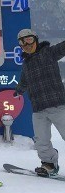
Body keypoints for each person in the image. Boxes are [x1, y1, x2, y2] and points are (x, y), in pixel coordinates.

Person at [14, 28, 65, 177]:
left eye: (29, 39)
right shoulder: (26, 64)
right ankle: (49, 164)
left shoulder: (48, 53)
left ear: (35, 39)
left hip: (58, 105)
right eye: (23, 42)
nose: (27, 44)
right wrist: (18, 91)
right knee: (41, 140)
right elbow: (24, 82)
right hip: (38, 109)